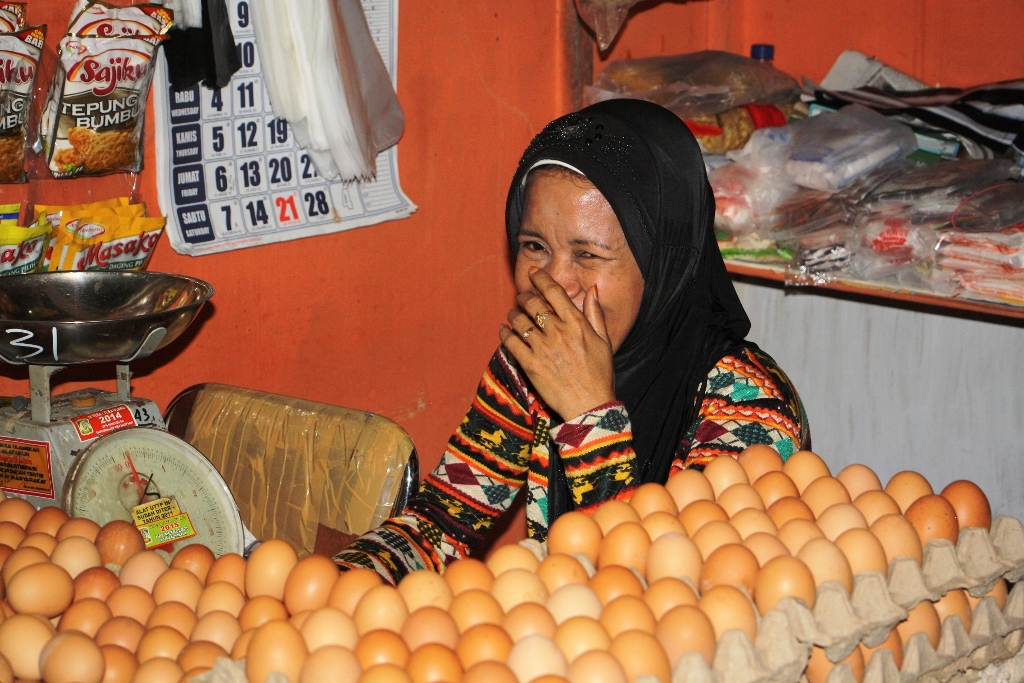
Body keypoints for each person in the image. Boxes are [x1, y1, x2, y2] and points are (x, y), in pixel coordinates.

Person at [334, 99, 809, 583]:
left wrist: (589, 415)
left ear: (663, 265)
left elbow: (674, 592)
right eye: (535, 246)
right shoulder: (532, 363)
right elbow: (441, 522)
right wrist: (344, 582)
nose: (553, 283)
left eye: (588, 254)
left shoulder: (752, 411)